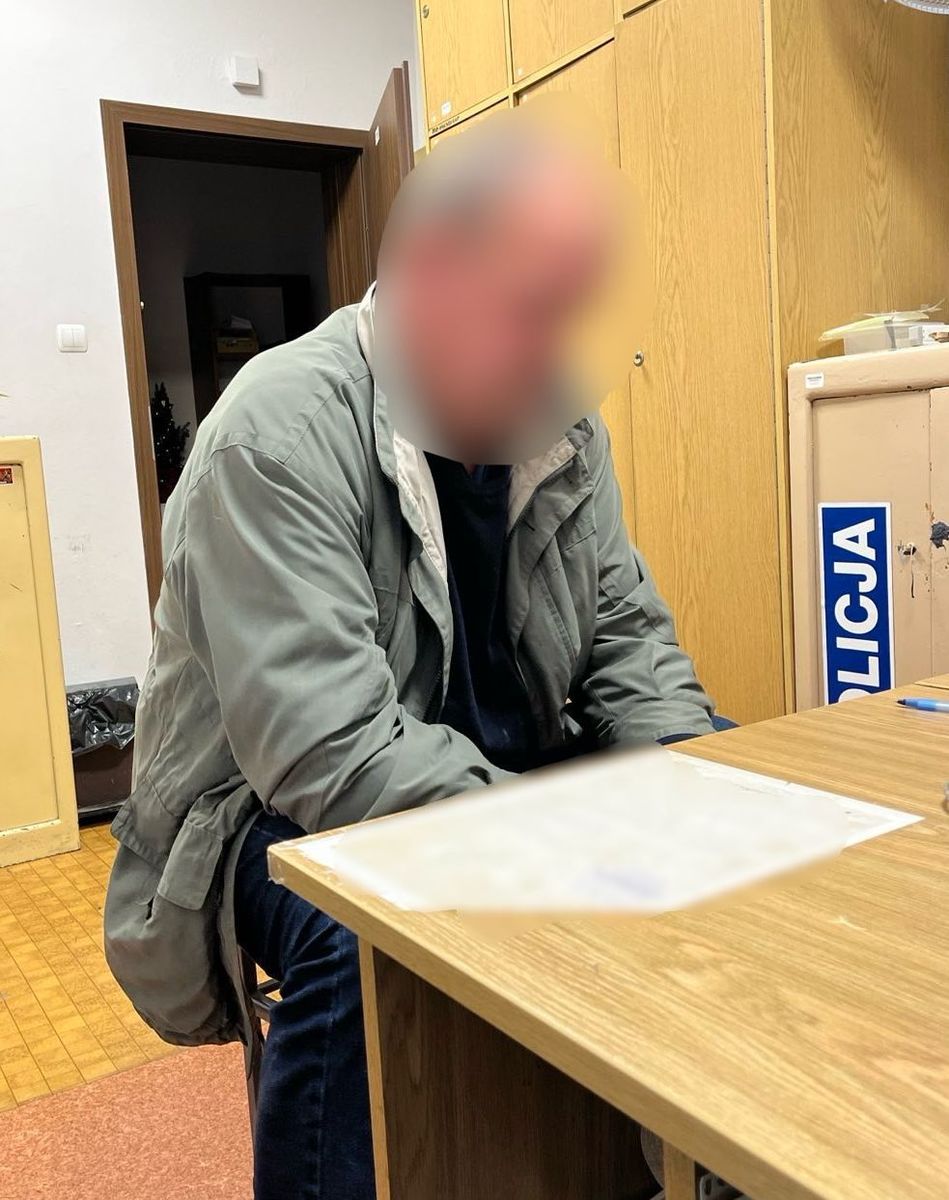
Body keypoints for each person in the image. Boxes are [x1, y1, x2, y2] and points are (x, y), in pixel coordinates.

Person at [104, 111, 717, 1200]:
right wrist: (569, 845)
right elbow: (326, 752)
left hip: (497, 778)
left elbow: (627, 639)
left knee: (726, 846)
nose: (553, 351)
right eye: (528, 311)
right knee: (363, 938)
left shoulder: (557, 424)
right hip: (269, 812)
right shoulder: (277, 430)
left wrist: (696, 793)